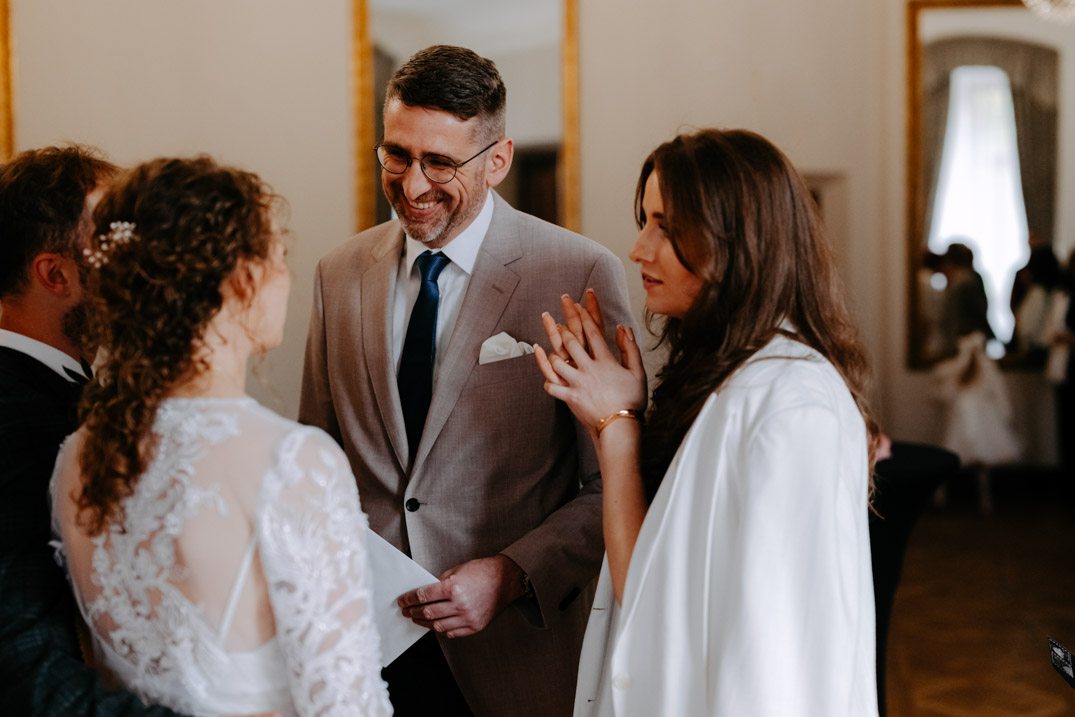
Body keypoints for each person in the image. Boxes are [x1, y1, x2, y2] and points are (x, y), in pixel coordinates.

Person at [299, 45, 632, 717]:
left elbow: (613, 486)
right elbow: (315, 461)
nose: (412, 185)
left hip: (512, 652)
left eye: (440, 162)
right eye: (396, 155)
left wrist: (511, 574)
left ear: (498, 160)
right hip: (361, 654)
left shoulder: (577, 272)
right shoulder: (337, 274)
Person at [535, 129, 880, 715]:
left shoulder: (791, 403)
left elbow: (778, 658)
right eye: (645, 221)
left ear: (735, 240)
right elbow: (648, 588)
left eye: (666, 227)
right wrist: (616, 423)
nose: (639, 249)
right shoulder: (719, 376)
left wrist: (617, 426)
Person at [48, 156, 392, 717]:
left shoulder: (78, 454)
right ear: (245, 278)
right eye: (281, 256)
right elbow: (347, 706)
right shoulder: (291, 461)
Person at [0, 145, 188, 716]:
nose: (141, 270)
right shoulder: (15, 419)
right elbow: (25, 660)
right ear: (56, 273)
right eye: (116, 247)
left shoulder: (76, 397)